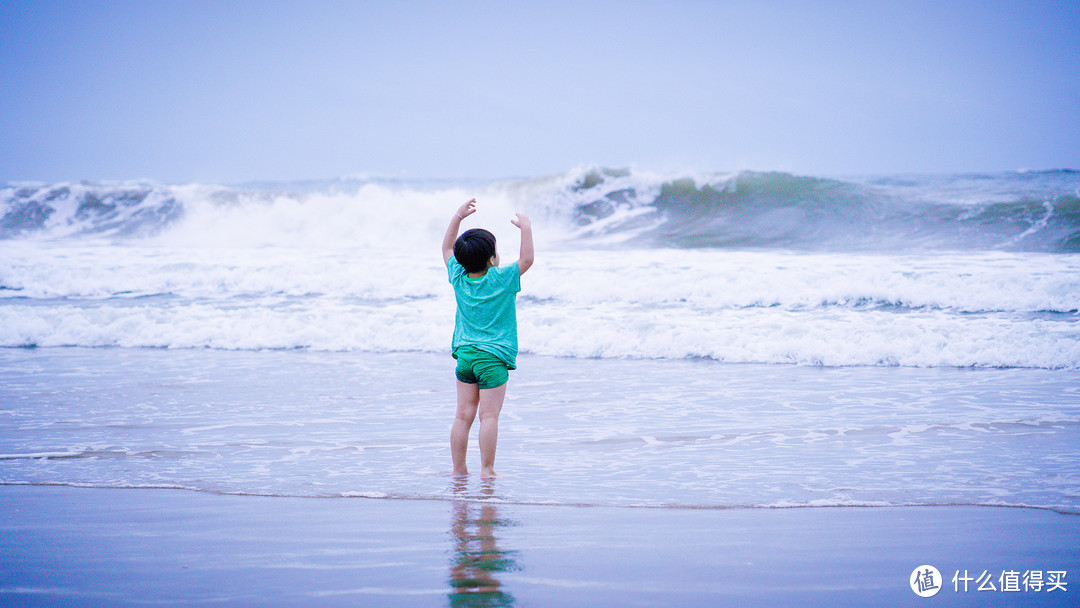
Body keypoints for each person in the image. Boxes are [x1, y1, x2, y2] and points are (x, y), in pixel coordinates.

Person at [441, 198, 534, 477]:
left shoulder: (458, 276)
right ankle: (487, 470)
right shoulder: (501, 279)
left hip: (466, 357)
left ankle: (458, 470)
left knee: (462, 416)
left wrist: (457, 216)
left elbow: (446, 247)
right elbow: (527, 259)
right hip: (493, 360)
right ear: (492, 258)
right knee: (489, 417)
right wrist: (526, 227)